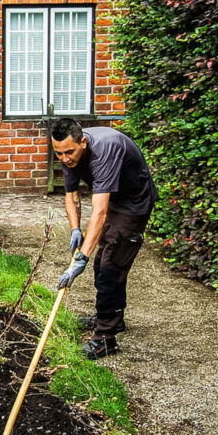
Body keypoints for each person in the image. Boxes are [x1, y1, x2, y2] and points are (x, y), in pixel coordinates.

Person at [51, 118, 158, 360]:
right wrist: (74, 229)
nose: (65, 159)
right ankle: (111, 317)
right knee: (103, 264)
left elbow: (99, 211)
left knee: (111, 266)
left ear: (83, 142)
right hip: (115, 199)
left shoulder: (105, 150)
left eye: (69, 152)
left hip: (134, 203)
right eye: (59, 153)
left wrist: (81, 258)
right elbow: (71, 196)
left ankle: (105, 339)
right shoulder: (68, 153)